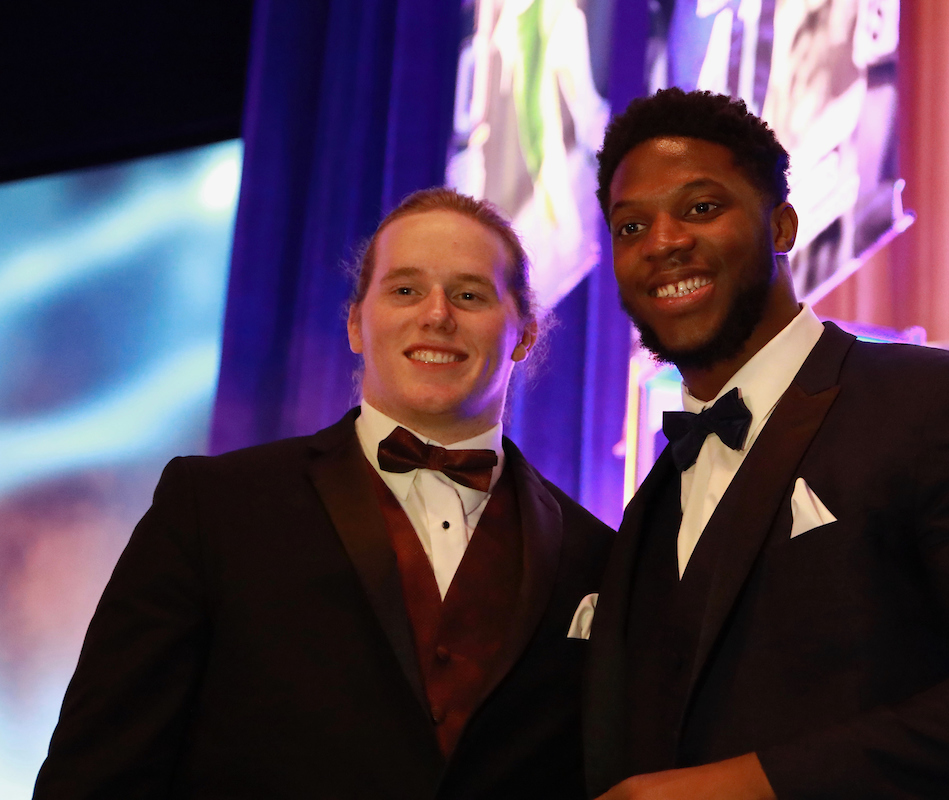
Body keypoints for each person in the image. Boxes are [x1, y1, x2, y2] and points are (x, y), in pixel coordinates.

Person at [582, 88, 949, 800]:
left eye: (701, 208)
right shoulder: (650, 505)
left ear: (781, 225)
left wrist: (756, 787)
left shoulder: (939, 404)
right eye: (630, 226)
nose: (663, 241)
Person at [34, 188, 612, 798]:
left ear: (524, 332)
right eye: (405, 290)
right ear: (356, 323)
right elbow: (95, 772)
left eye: (469, 294)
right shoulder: (213, 507)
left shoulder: (594, 555)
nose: (436, 315)